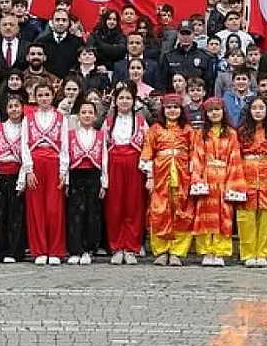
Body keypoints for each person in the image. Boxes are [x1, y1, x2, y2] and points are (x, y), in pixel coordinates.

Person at [189, 98, 246, 267]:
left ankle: (220, 250)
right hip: (206, 176)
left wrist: (231, 183)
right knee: (206, 216)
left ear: (223, 112)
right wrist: (198, 180)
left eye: (217, 110)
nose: (214, 113)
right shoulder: (200, 134)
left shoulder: (231, 133)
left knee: (224, 216)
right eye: (211, 111)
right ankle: (207, 250)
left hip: (224, 177)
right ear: (206, 114)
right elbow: (197, 157)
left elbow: (235, 159)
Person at [140, 94, 195, 266]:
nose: (172, 111)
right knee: (159, 213)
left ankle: (177, 251)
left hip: (182, 176)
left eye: (176, 107)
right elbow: (147, 153)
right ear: (163, 110)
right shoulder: (155, 129)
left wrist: (194, 177)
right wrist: (149, 176)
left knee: (182, 213)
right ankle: (161, 250)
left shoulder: (188, 130)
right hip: (160, 176)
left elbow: (195, 155)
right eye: (169, 107)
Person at [21, 82, 69, 266]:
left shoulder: (60, 118)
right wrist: (29, 169)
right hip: (35, 162)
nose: (43, 98)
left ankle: (55, 250)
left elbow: (64, 146)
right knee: (36, 209)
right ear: (35, 97)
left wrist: (63, 171)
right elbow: (24, 145)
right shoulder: (28, 119)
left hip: (54, 163)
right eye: (40, 95)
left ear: (52, 96)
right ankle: (39, 250)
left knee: (54, 209)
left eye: (47, 95)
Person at [103, 84, 148, 265]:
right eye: (121, 98)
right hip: (114, 165)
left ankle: (131, 247)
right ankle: (116, 246)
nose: (124, 101)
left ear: (134, 101)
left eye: (128, 98)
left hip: (134, 165)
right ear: (115, 101)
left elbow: (148, 146)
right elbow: (103, 148)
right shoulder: (108, 123)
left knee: (134, 207)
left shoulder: (140, 122)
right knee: (115, 207)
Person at [234, 98, 267, 268]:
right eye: (254, 108)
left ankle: (263, 252)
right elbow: (236, 154)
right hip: (246, 172)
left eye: (261, 108)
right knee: (246, 215)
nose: (258, 111)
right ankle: (248, 252)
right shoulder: (241, 131)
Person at [0, 94, 29, 264]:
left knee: (15, 215)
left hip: (17, 173)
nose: (14, 110)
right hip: (1, 173)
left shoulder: (25, 129)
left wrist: (22, 179)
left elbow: (26, 154)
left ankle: (14, 251)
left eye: (17, 106)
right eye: (10, 106)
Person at [65, 101, 107, 265]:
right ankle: (75, 249)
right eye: (84, 112)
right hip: (76, 174)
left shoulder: (100, 135)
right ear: (78, 116)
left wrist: (105, 182)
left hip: (94, 175)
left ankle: (89, 249)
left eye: (90, 112)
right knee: (75, 213)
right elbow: (65, 158)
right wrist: (66, 181)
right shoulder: (70, 135)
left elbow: (104, 159)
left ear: (95, 116)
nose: (87, 115)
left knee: (92, 214)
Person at [159, 21, 215, 93]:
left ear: (194, 34)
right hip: (174, 101)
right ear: (178, 35)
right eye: (182, 34)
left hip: (197, 99)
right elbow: (163, 83)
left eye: (188, 33)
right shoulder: (168, 57)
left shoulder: (205, 57)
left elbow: (209, 83)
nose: (185, 37)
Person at [40, 9, 83, 79]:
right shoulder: (42, 42)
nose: (60, 23)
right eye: (57, 20)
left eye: (64, 20)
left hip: (70, 83)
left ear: (69, 22)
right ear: (52, 22)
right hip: (47, 82)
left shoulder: (77, 42)